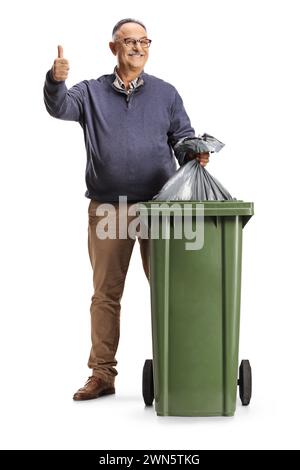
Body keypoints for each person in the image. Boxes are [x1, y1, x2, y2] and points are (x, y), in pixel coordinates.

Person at [43, 18, 209, 401]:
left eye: (143, 41)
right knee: (105, 294)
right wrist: (55, 80)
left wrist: (194, 151)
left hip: (158, 208)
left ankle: (176, 367)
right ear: (113, 47)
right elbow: (60, 107)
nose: (137, 47)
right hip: (108, 207)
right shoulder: (90, 92)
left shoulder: (166, 93)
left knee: (169, 291)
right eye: (128, 41)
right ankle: (102, 375)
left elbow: (182, 137)